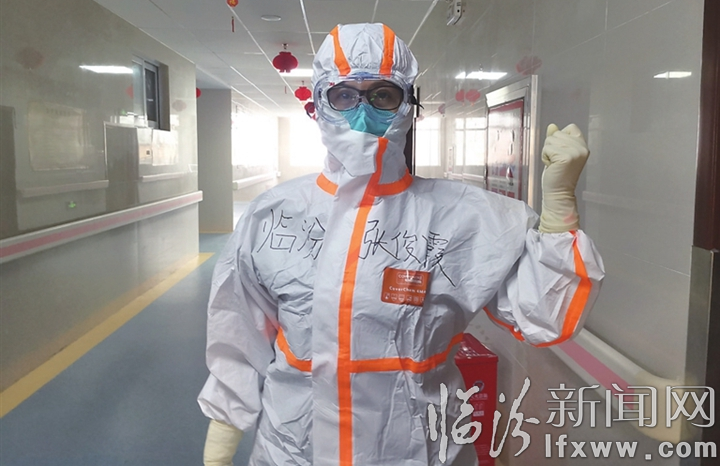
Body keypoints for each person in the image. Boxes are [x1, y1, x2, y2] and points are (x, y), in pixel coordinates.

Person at [198, 23, 604, 466]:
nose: (362, 112)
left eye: (382, 95)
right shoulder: (274, 215)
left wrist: (560, 212)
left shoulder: (465, 217)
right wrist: (221, 438)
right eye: (344, 95)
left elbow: (546, 318)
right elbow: (239, 333)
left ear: (409, 106)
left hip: (417, 451)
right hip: (295, 449)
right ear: (319, 104)